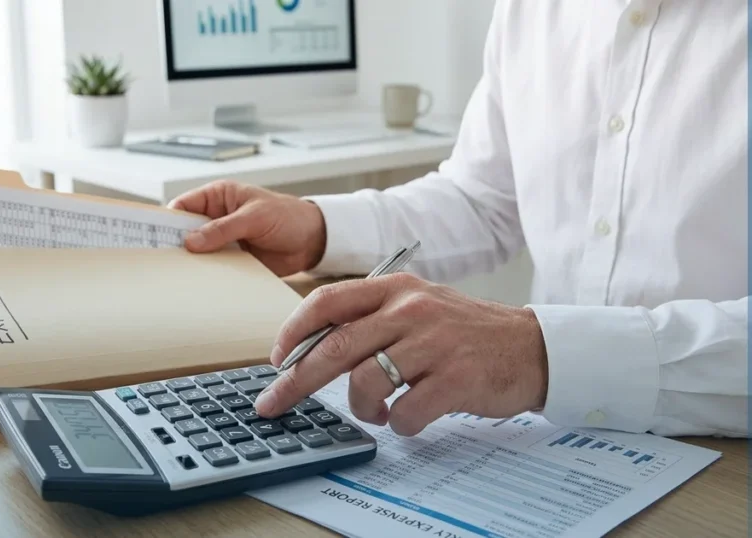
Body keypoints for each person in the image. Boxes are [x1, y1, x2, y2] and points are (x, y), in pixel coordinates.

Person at [169, 1, 749, 439]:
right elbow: (482, 198)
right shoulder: (531, 11)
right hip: (552, 441)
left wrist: (539, 352)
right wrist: (319, 227)